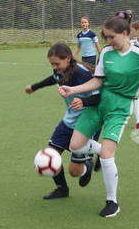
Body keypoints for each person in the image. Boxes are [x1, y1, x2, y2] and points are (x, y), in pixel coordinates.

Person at [60, 15, 139, 218]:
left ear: (125, 33)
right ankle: (99, 152)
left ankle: (112, 201)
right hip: (100, 103)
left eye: (112, 37)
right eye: (106, 37)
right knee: (75, 146)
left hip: (120, 107)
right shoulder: (105, 52)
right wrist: (73, 90)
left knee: (106, 156)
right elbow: (97, 81)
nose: (108, 41)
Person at [25, 42, 101, 200]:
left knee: (74, 172)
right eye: (51, 64)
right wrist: (35, 87)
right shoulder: (61, 71)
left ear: (67, 58)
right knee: (51, 153)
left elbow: (101, 97)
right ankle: (62, 189)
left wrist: (84, 102)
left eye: (56, 63)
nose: (54, 67)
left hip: (88, 121)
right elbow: (53, 79)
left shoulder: (83, 73)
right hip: (69, 120)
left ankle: (88, 164)